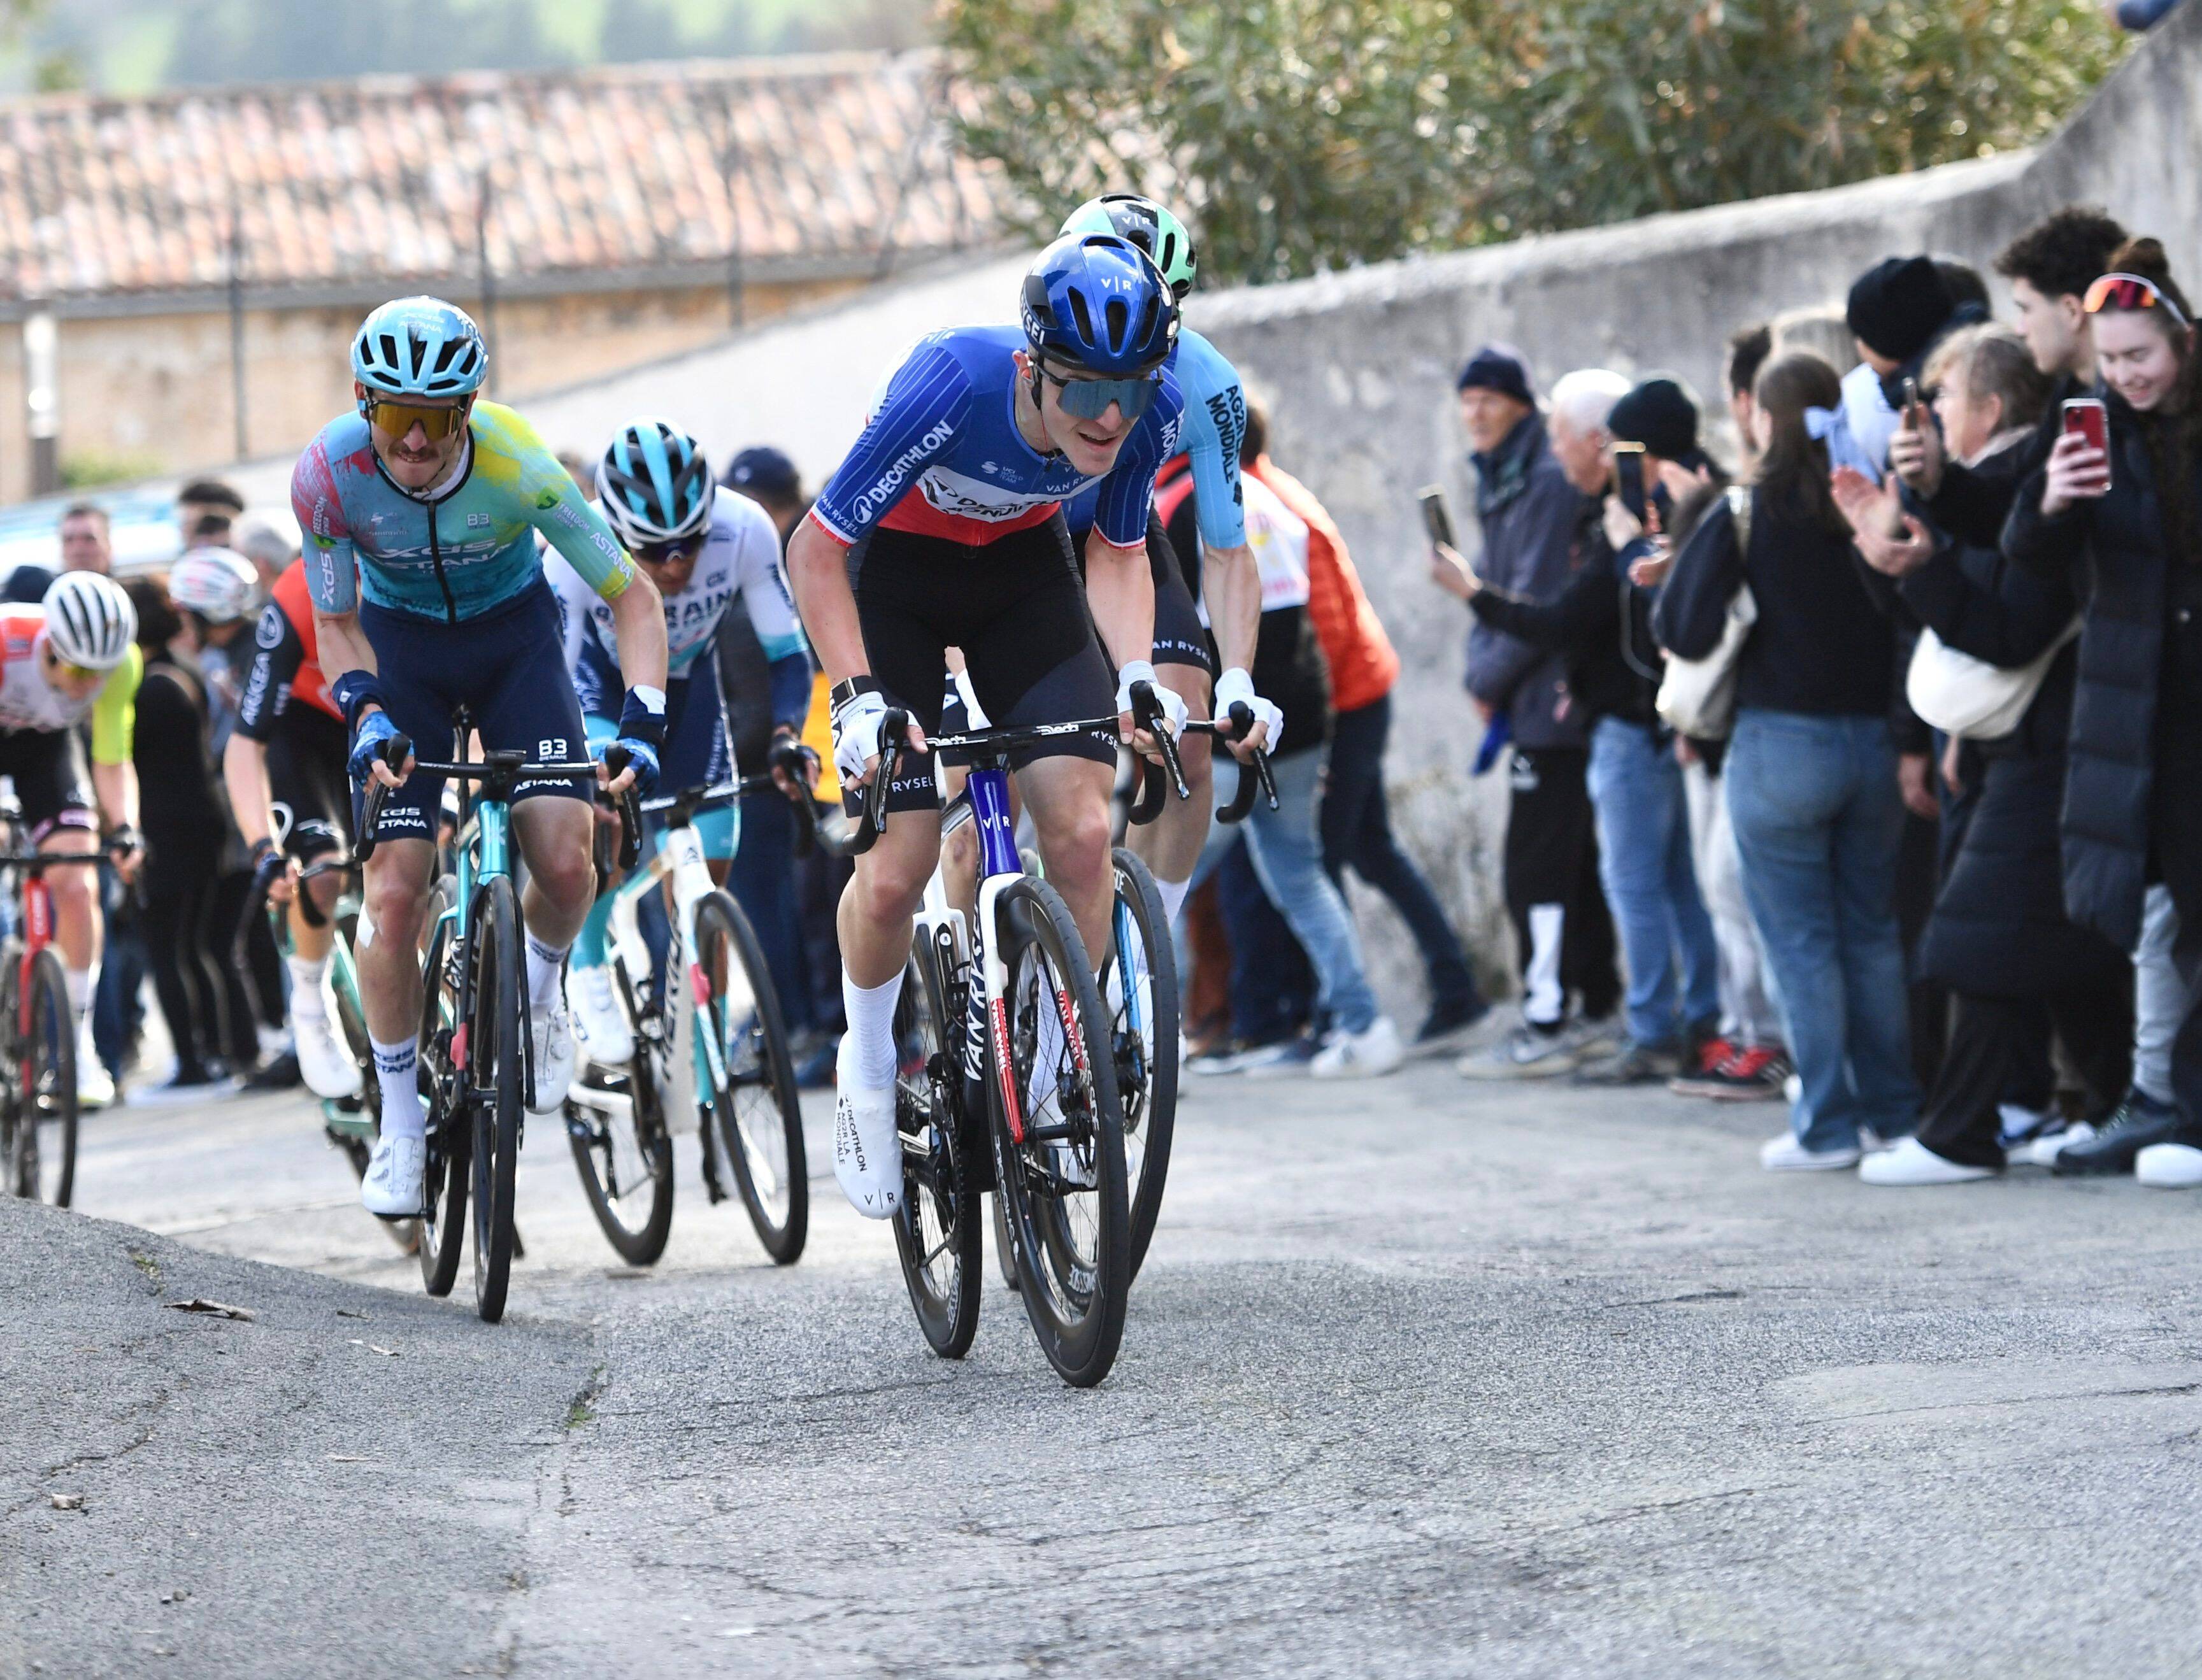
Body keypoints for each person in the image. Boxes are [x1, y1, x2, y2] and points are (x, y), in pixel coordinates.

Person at [787, 234, 1242, 1218]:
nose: (1111, 416)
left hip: (1021, 583)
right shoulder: (953, 377)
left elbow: (1119, 552)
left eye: (1131, 387)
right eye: (1083, 393)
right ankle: (866, 1060)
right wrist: (857, 695)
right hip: (891, 586)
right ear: (1033, 371)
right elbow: (817, 547)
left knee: (1081, 830)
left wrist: (1133, 676)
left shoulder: (1144, 408)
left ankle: (1041, 1069)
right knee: (900, 864)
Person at [292, 296, 667, 1217]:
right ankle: (403, 1123)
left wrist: (643, 720)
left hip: (514, 647)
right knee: (390, 893)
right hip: (401, 657)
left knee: (571, 859)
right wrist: (365, 708)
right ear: (360, 403)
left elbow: (634, 596)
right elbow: (335, 625)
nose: (414, 442)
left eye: (435, 419)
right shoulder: (328, 476)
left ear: (467, 413)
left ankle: (539, 994)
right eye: (392, 416)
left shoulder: (518, 466)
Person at [1834, 325, 2133, 1183]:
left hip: (2057, 743)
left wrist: (1916, 558)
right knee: (2053, 944)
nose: (1930, 410)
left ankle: (1962, 1130)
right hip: (2017, 739)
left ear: (1991, 407)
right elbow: (1938, 621)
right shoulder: (1990, 487)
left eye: (1946, 395)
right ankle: (2113, 1109)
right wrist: (1887, 542)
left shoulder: (2029, 483)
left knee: (1981, 934)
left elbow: (2003, 630)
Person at [1655, 352, 1917, 1169]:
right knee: (1871, 934)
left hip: (1781, 746)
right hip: (1873, 743)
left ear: (1762, 418)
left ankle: (1827, 1127)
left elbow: (1681, 628)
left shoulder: (1745, 509)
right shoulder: (1863, 499)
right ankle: (1895, 1116)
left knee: (1798, 942)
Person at [1441, 370, 1720, 1084]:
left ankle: (1659, 1029)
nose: (1558, 454)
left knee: (1634, 881)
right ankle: (1700, 1022)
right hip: (1641, 721)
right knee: (1676, 881)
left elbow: (1572, 613)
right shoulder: (1613, 510)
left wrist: (1476, 598)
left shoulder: (1640, 517)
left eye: (1564, 438)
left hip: (1641, 727)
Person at [2001, 240, 2202, 1186]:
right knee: (2159, 908)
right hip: (2144, 710)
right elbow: (2024, 556)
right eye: (2113, 360)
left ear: (2182, 342)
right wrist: (2050, 501)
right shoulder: (2088, 423)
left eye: (2142, 357)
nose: (2127, 377)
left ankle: (2176, 1107)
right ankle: (2167, 1104)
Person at [552, 418, 813, 1065]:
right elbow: (553, 675)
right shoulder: (569, 550)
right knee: (607, 837)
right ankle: (585, 958)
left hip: (690, 694)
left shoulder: (745, 527)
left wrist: (785, 733)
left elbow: (787, 652)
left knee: (711, 878)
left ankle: (704, 1061)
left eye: (689, 543)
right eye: (652, 548)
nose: (674, 564)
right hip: (599, 696)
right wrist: (581, 774)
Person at [1162, 409, 1404, 1077]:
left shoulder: (1181, 505)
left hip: (1231, 729)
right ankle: (1364, 1024)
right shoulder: (1270, 497)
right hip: (1294, 714)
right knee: (1298, 873)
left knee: (1162, 878)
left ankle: (1153, 1043)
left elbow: (1168, 631)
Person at [1055, 195, 1268, 946]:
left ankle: (1141, 963)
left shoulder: (1204, 379)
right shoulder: (1024, 357)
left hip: (1121, 540)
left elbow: (1226, 545)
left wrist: (1238, 675)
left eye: (1168, 304)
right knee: (1032, 779)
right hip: (1018, 543)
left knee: (1189, 748)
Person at [1244, 408, 1487, 1053]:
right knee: (1366, 848)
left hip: (1348, 701)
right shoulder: (1273, 491)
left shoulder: (1261, 504)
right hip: (1358, 691)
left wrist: (1321, 734)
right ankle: (1453, 985)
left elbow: (1316, 630)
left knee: (1318, 857)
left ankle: (1341, 1018)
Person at [1445, 345, 1620, 1076]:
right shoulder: (1513, 475)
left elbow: (1539, 598)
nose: (1475, 412)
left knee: (1538, 871)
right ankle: (1593, 1009)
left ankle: (1550, 1017)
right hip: (1537, 702)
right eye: (1467, 399)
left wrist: (1482, 676)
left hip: (1554, 704)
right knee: (1568, 866)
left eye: (1490, 398)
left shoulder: (1542, 480)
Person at [224, 553, 364, 1102]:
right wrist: (264, 846)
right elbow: (244, 745)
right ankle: (308, 1005)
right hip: (301, 730)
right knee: (324, 874)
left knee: (409, 870)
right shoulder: (296, 597)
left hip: (379, 724)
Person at [0, 573, 143, 1107]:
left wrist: (125, 827)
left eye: (99, 673)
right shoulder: (6, 641)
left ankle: (77, 1049)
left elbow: (112, 757)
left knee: (79, 885)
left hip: (46, 753)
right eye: (79, 669)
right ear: (49, 644)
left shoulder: (121, 665)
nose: (88, 685)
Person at [120, 576, 255, 1100]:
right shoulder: (182, 674)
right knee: (203, 947)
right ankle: (226, 1051)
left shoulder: (151, 686)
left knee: (170, 950)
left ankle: (196, 1062)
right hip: (202, 824)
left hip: (168, 831)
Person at [4, 501, 113, 604]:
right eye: (69, 540)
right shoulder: (41, 594)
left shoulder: (127, 599)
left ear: (108, 544)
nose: (78, 550)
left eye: (89, 539)